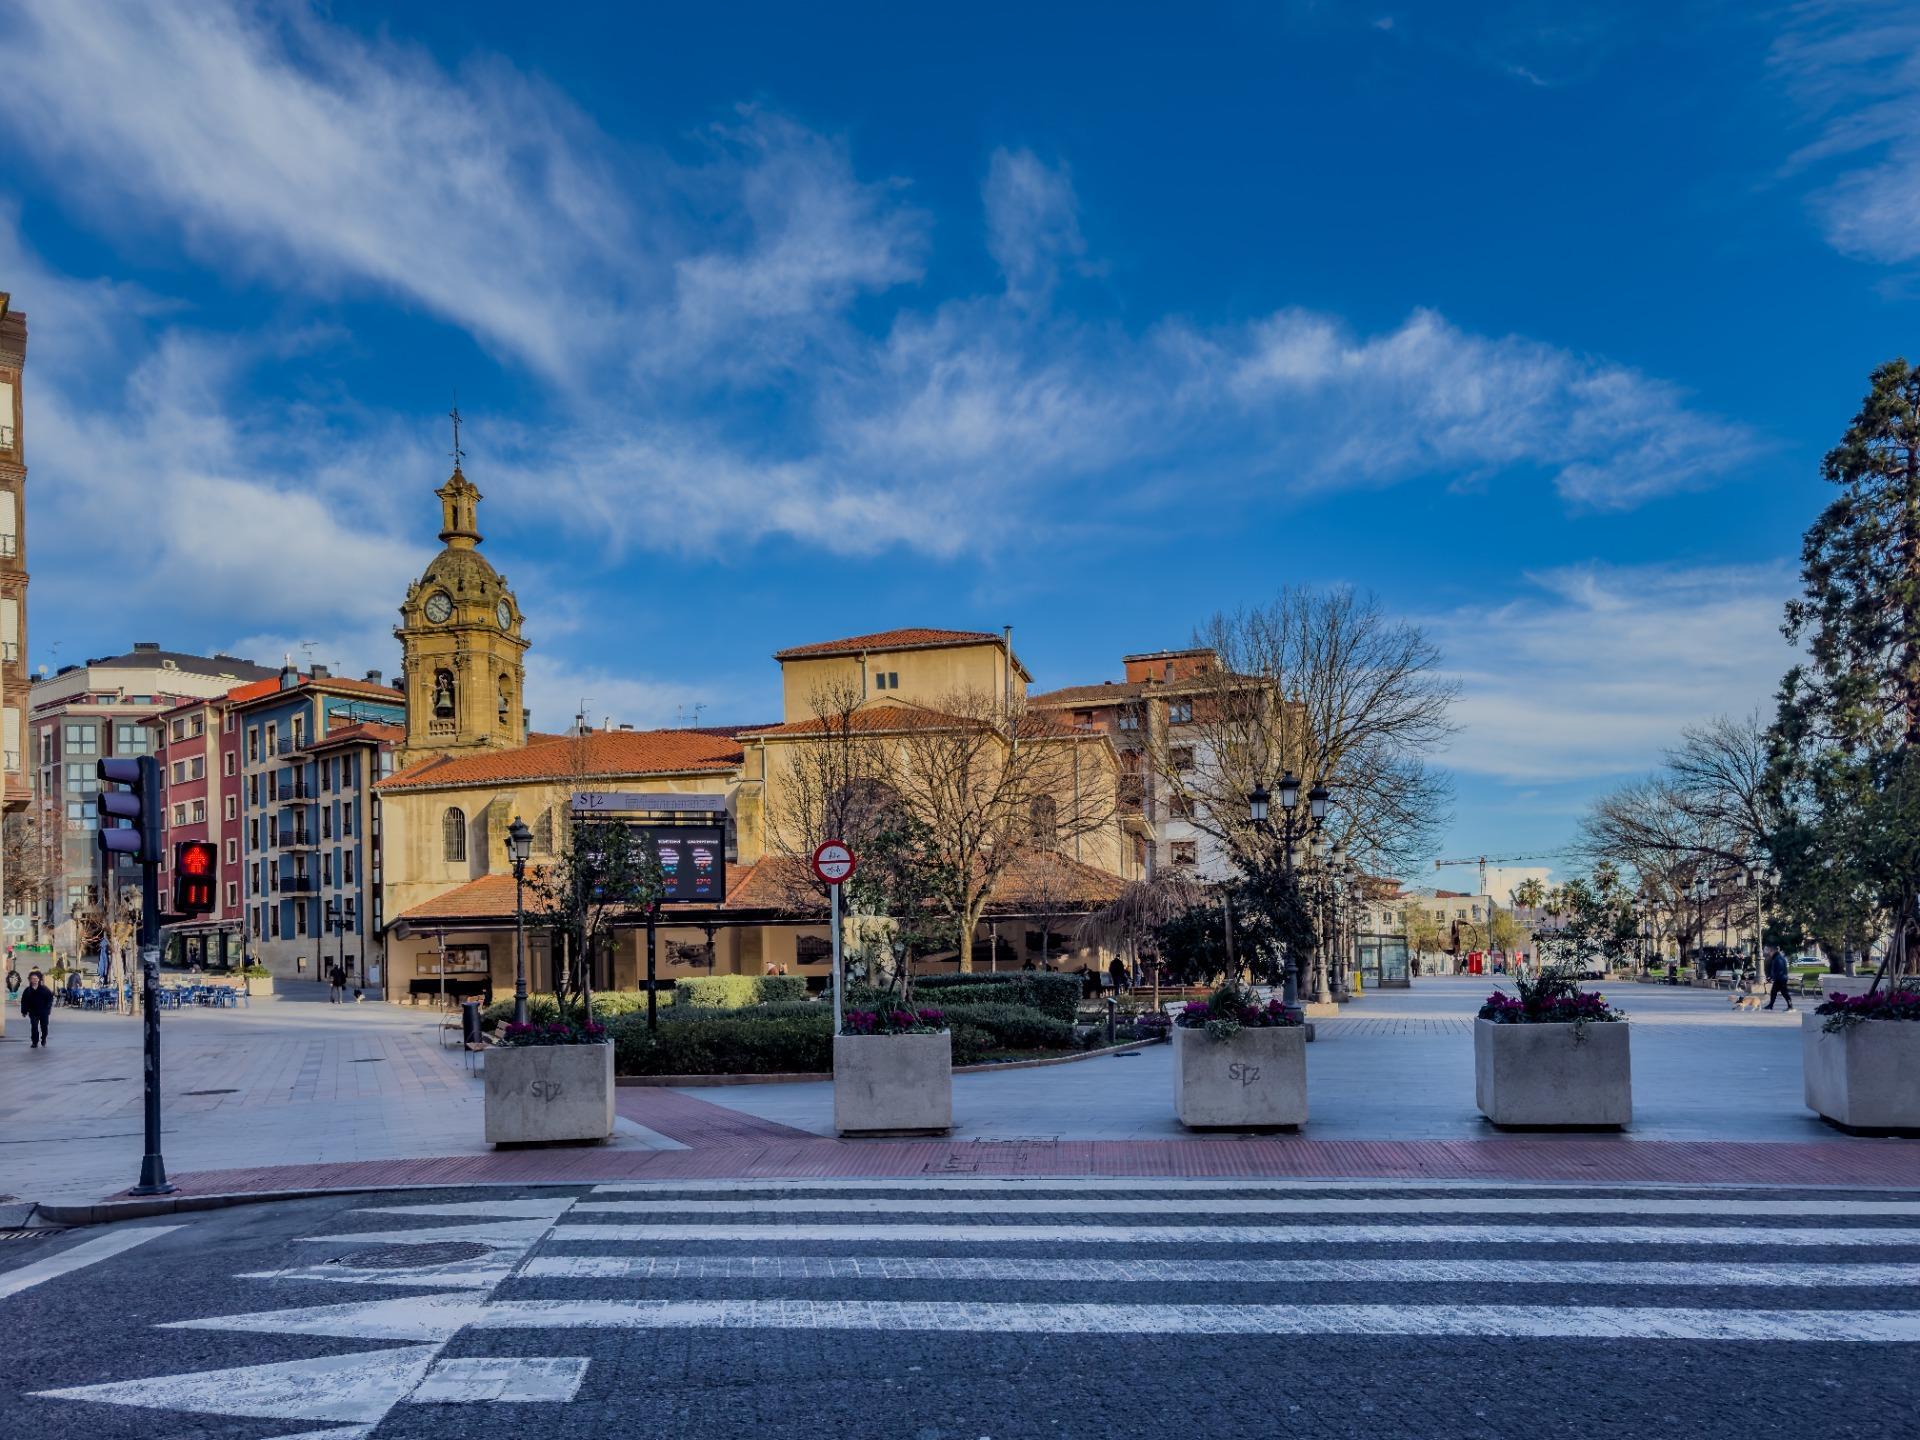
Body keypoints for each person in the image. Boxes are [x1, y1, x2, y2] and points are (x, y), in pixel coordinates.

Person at [20, 969, 54, 1048]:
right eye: (33, 979)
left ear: (39, 979)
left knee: (44, 1027)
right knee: (34, 1027)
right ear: (30, 980)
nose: (34, 980)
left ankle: (44, 1038)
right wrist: (24, 1011)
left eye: (36, 979)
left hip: (43, 1012)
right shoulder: (27, 990)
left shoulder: (45, 989)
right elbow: (24, 1001)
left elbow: (50, 999)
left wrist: (48, 1009)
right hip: (33, 1012)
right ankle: (34, 1042)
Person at [1763, 946, 1794, 1011]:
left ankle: (1790, 1006)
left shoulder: (1778, 958)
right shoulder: (1777, 958)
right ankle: (1771, 1005)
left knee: (1784, 992)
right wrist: (1771, 977)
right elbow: (1775, 970)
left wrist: (1773, 977)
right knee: (1774, 992)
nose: (1769, 953)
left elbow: (1779, 970)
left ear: (1773, 951)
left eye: (1770, 951)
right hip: (1780, 978)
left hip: (1780, 978)